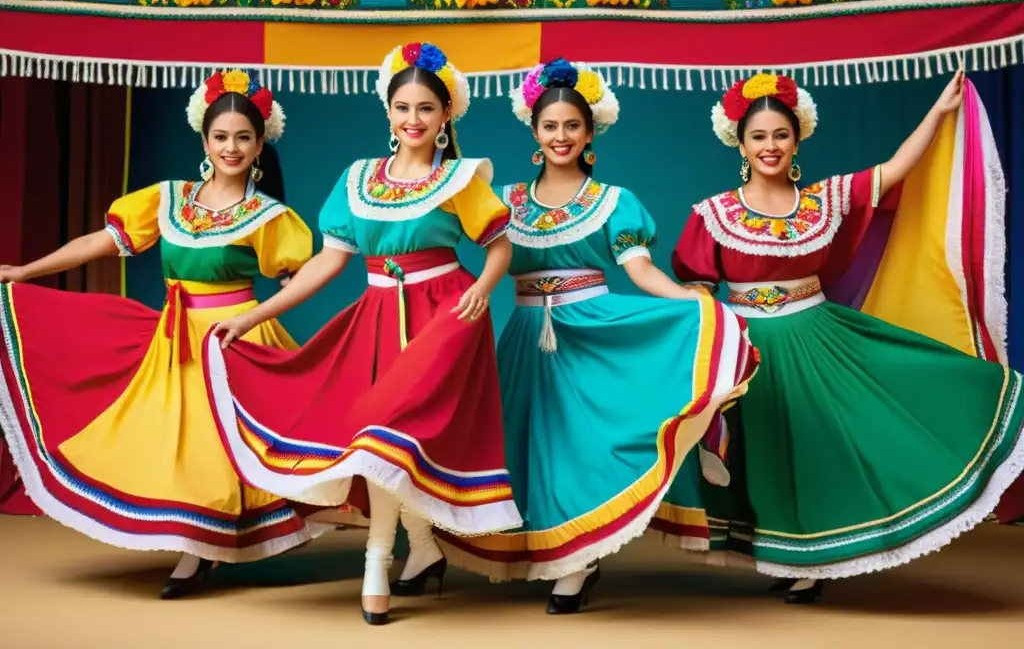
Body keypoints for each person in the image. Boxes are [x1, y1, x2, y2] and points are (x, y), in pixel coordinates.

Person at [417, 58, 758, 614]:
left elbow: (641, 271)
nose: (560, 136)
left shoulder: (615, 201)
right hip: (527, 333)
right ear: (533, 131)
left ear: (590, 132)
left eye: (572, 126)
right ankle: (542, 552)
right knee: (524, 448)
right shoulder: (501, 197)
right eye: (549, 126)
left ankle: (577, 564)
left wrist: (692, 302)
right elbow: (442, 225)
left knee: (585, 449)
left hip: (592, 332)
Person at [670, 71, 1024, 603]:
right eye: (759, 136)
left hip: (818, 341)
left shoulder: (825, 199)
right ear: (739, 142)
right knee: (763, 455)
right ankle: (785, 555)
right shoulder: (713, 213)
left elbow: (896, 169)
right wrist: (718, 347)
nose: (771, 146)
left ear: (798, 138)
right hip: (749, 350)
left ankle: (818, 561)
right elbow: (696, 288)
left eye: (781, 135)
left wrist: (939, 112)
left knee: (820, 449)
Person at [205, 42, 520, 626]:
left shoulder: (460, 179)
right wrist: (252, 316)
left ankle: (377, 559)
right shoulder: (357, 180)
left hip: (447, 314)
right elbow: (327, 263)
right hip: (377, 315)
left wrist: (486, 287)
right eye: (403, 107)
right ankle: (422, 550)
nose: (413, 119)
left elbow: (499, 246)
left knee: (385, 431)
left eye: (426, 108)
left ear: (445, 116)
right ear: (388, 112)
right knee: (386, 438)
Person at [0, 69, 327, 598]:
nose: (232, 147)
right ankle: (196, 542)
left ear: (260, 143)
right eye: (221, 137)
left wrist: (263, 316)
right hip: (174, 341)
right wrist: (25, 271)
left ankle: (198, 551)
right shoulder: (171, 199)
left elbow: (303, 278)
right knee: (161, 444)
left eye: (244, 137)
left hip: (233, 341)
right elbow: (101, 242)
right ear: (204, 140)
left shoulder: (269, 217)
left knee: (220, 450)